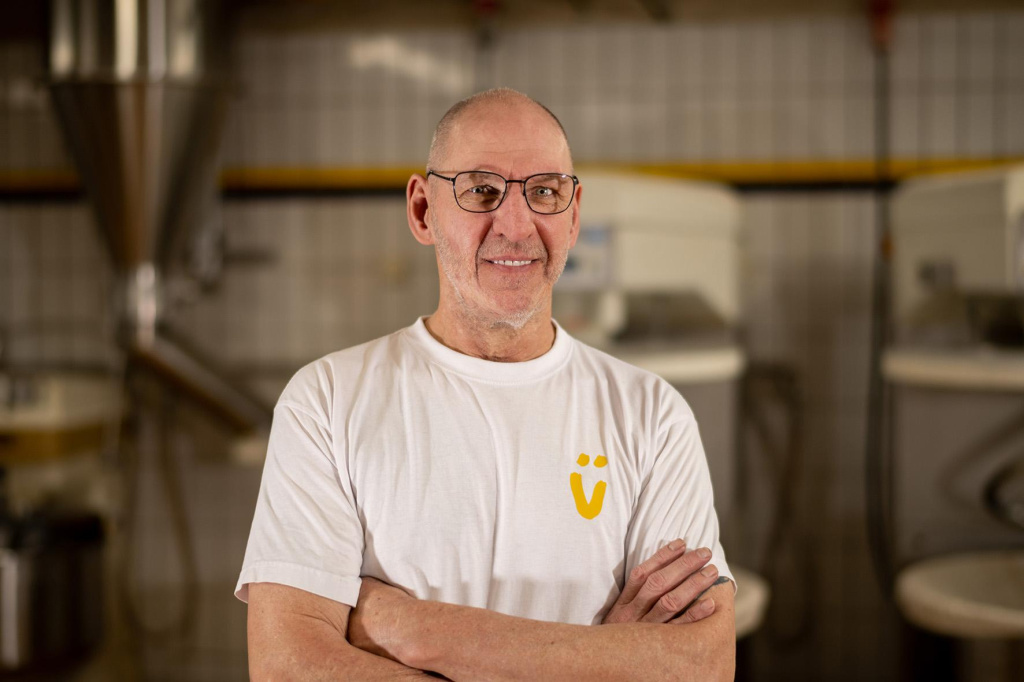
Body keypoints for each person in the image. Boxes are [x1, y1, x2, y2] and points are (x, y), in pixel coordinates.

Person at [237, 87, 736, 680]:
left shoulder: (652, 416)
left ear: (574, 216)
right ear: (423, 211)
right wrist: (602, 658)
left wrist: (411, 627)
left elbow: (702, 664)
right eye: (481, 191)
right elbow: (287, 666)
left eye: (544, 192)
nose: (517, 226)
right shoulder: (327, 402)